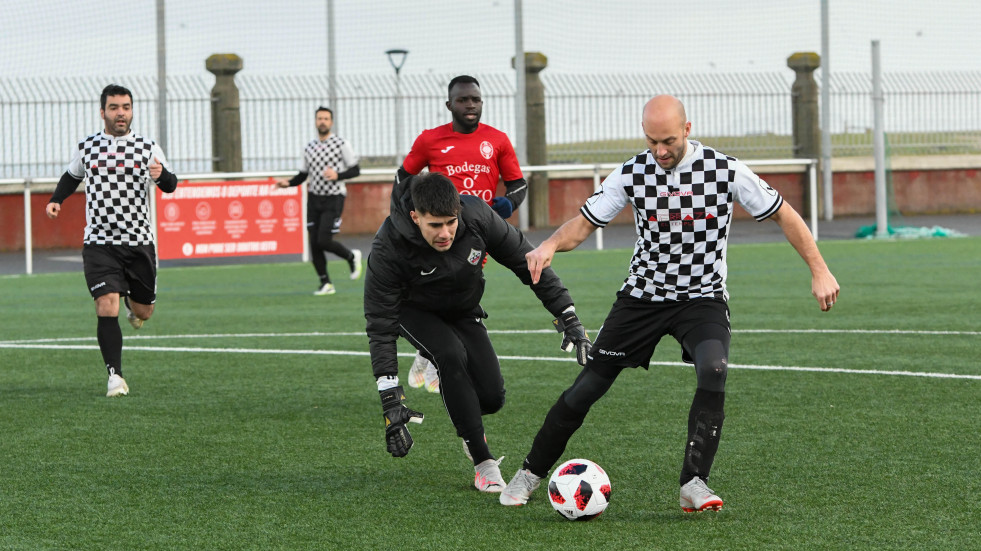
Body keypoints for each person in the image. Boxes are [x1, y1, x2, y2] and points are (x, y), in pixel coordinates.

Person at [499, 95, 840, 512]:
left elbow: (784, 214)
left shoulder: (724, 169)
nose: (660, 151)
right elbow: (585, 222)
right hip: (642, 298)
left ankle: (694, 483)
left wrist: (819, 269)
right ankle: (530, 472)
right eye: (652, 141)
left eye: (669, 141)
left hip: (702, 299)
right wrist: (550, 244)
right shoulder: (632, 172)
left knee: (713, 370)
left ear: (687, 129)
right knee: (588, 387)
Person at [363, 171, 591, 493]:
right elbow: (380, 324)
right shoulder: (388, 246)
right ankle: (482, 461)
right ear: (415, 217)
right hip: (414, 311)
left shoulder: (478, 216)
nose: (445, 233)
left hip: (462, 308)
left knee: (492, 397)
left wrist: (568, 316)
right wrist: (390, 399)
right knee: (449, 354)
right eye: (435, 225)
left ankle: (463, 409)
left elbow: (527, 262)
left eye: (450, 222)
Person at [45, 83, 179, 397]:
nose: (121, 113)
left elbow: (171, 184)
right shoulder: (87, 146)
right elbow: (71, 176)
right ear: (102, 111)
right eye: (115, 107)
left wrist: (161, 177)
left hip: (138, 242)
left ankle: (135, 306)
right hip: (99, 243)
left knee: (144, 312)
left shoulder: (148, 147)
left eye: (126, 107)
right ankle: (115, 377)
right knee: (107, 304)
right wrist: (57, 199)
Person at [399, 75, 528, 393]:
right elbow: (404, 178)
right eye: (463, 99)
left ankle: (427, 353)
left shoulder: (497, 140)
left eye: (475, 99)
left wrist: (507, 203)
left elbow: (519, 184)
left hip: (477, 234)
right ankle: (436, 357)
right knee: (443, 288)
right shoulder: (430, 140)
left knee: (462, 291)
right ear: (449, 105)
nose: (470, 104)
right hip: (440, 233)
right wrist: (411, 216)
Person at [276, 106, 362, 295]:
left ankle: (351, 257)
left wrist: (337, 174)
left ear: (331, 122)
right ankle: (326, 283)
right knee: (314, 243)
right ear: (315, 121)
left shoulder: (341, 144)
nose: (322, 121)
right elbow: (303, 174)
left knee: (324, 240)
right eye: (319, 118)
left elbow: (356, 170)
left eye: (326, 118)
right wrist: (288, 183)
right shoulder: (309, 147)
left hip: (334, 197)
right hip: (314, 198)